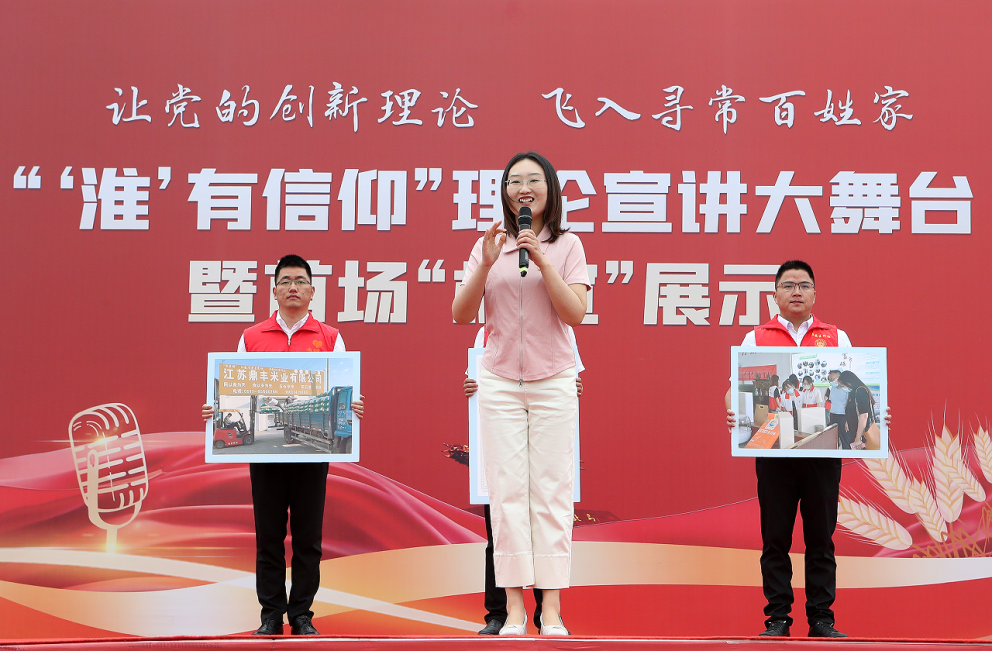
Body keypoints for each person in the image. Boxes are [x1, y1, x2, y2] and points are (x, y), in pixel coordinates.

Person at [452, 151, 590, 636]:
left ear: (550, 189)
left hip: (554, 379)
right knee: (507, 493)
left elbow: (575, 313)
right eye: (514, 182)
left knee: (552, 492)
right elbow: (460, 313)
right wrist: (486, 264)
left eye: (533, 180)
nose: (523, 188)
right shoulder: (488, 245)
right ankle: (513, 608)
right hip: (499, 380)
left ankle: (550, 608)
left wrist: (543, 260)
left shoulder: (568, 244)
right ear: (505, 192)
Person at [201, 254, 365, 637]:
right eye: (285, 281)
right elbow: (234, 389)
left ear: (312, 291)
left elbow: (345, 385)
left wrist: (354, 404)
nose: (293, 287)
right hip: (266, 463)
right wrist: (216, 408)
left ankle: (302, 614)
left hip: (313, 460)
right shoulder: (251, 337)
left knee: (308, 539)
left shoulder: (330, 337)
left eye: (300, 281)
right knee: (269, 537)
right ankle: (271, 614)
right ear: (274, 291)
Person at [725, 260, 869, 639]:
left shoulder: (836, 337)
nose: (796, 292)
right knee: (776, 538)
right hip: (776, 456)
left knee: (821, 538)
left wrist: (876, 414)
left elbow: (859, 390)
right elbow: (735, 389)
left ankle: (822, 619)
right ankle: (777, 619)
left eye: (804, 285)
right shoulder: (756, 338)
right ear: (775, 294)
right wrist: (733, 411)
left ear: (815, 294)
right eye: (788, 285)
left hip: (823, 456)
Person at [463, 326, 584, 635]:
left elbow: (573, 376)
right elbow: (475, 373)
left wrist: (572, 385)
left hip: (547, 421)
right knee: (504, 519)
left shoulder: (560, 323)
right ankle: (503, 613)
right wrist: (470, 385)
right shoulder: (487, 330)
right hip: (502, 421)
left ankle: (548, 613)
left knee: (546, 512)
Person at [836, 371, 878, 451]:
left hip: (862, 434)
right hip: (855, 431)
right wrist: (848, 421)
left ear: (849, 382)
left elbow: (864, 416)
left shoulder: (860, 391)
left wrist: (858, 438)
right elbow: (853, 410)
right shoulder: (853, 392)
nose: (843, 387)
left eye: (843, 385)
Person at [824, 370, 850, 449]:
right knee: (833, 440)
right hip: (833, 416)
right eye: (829, 380)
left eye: (832, 379)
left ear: (838, 378)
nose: (830, 382)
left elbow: (849, 406)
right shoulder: (832, 389)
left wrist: (848, 421)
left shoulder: (846, 389)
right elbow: (832, 403)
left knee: (845, 440)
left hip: (843, 417)